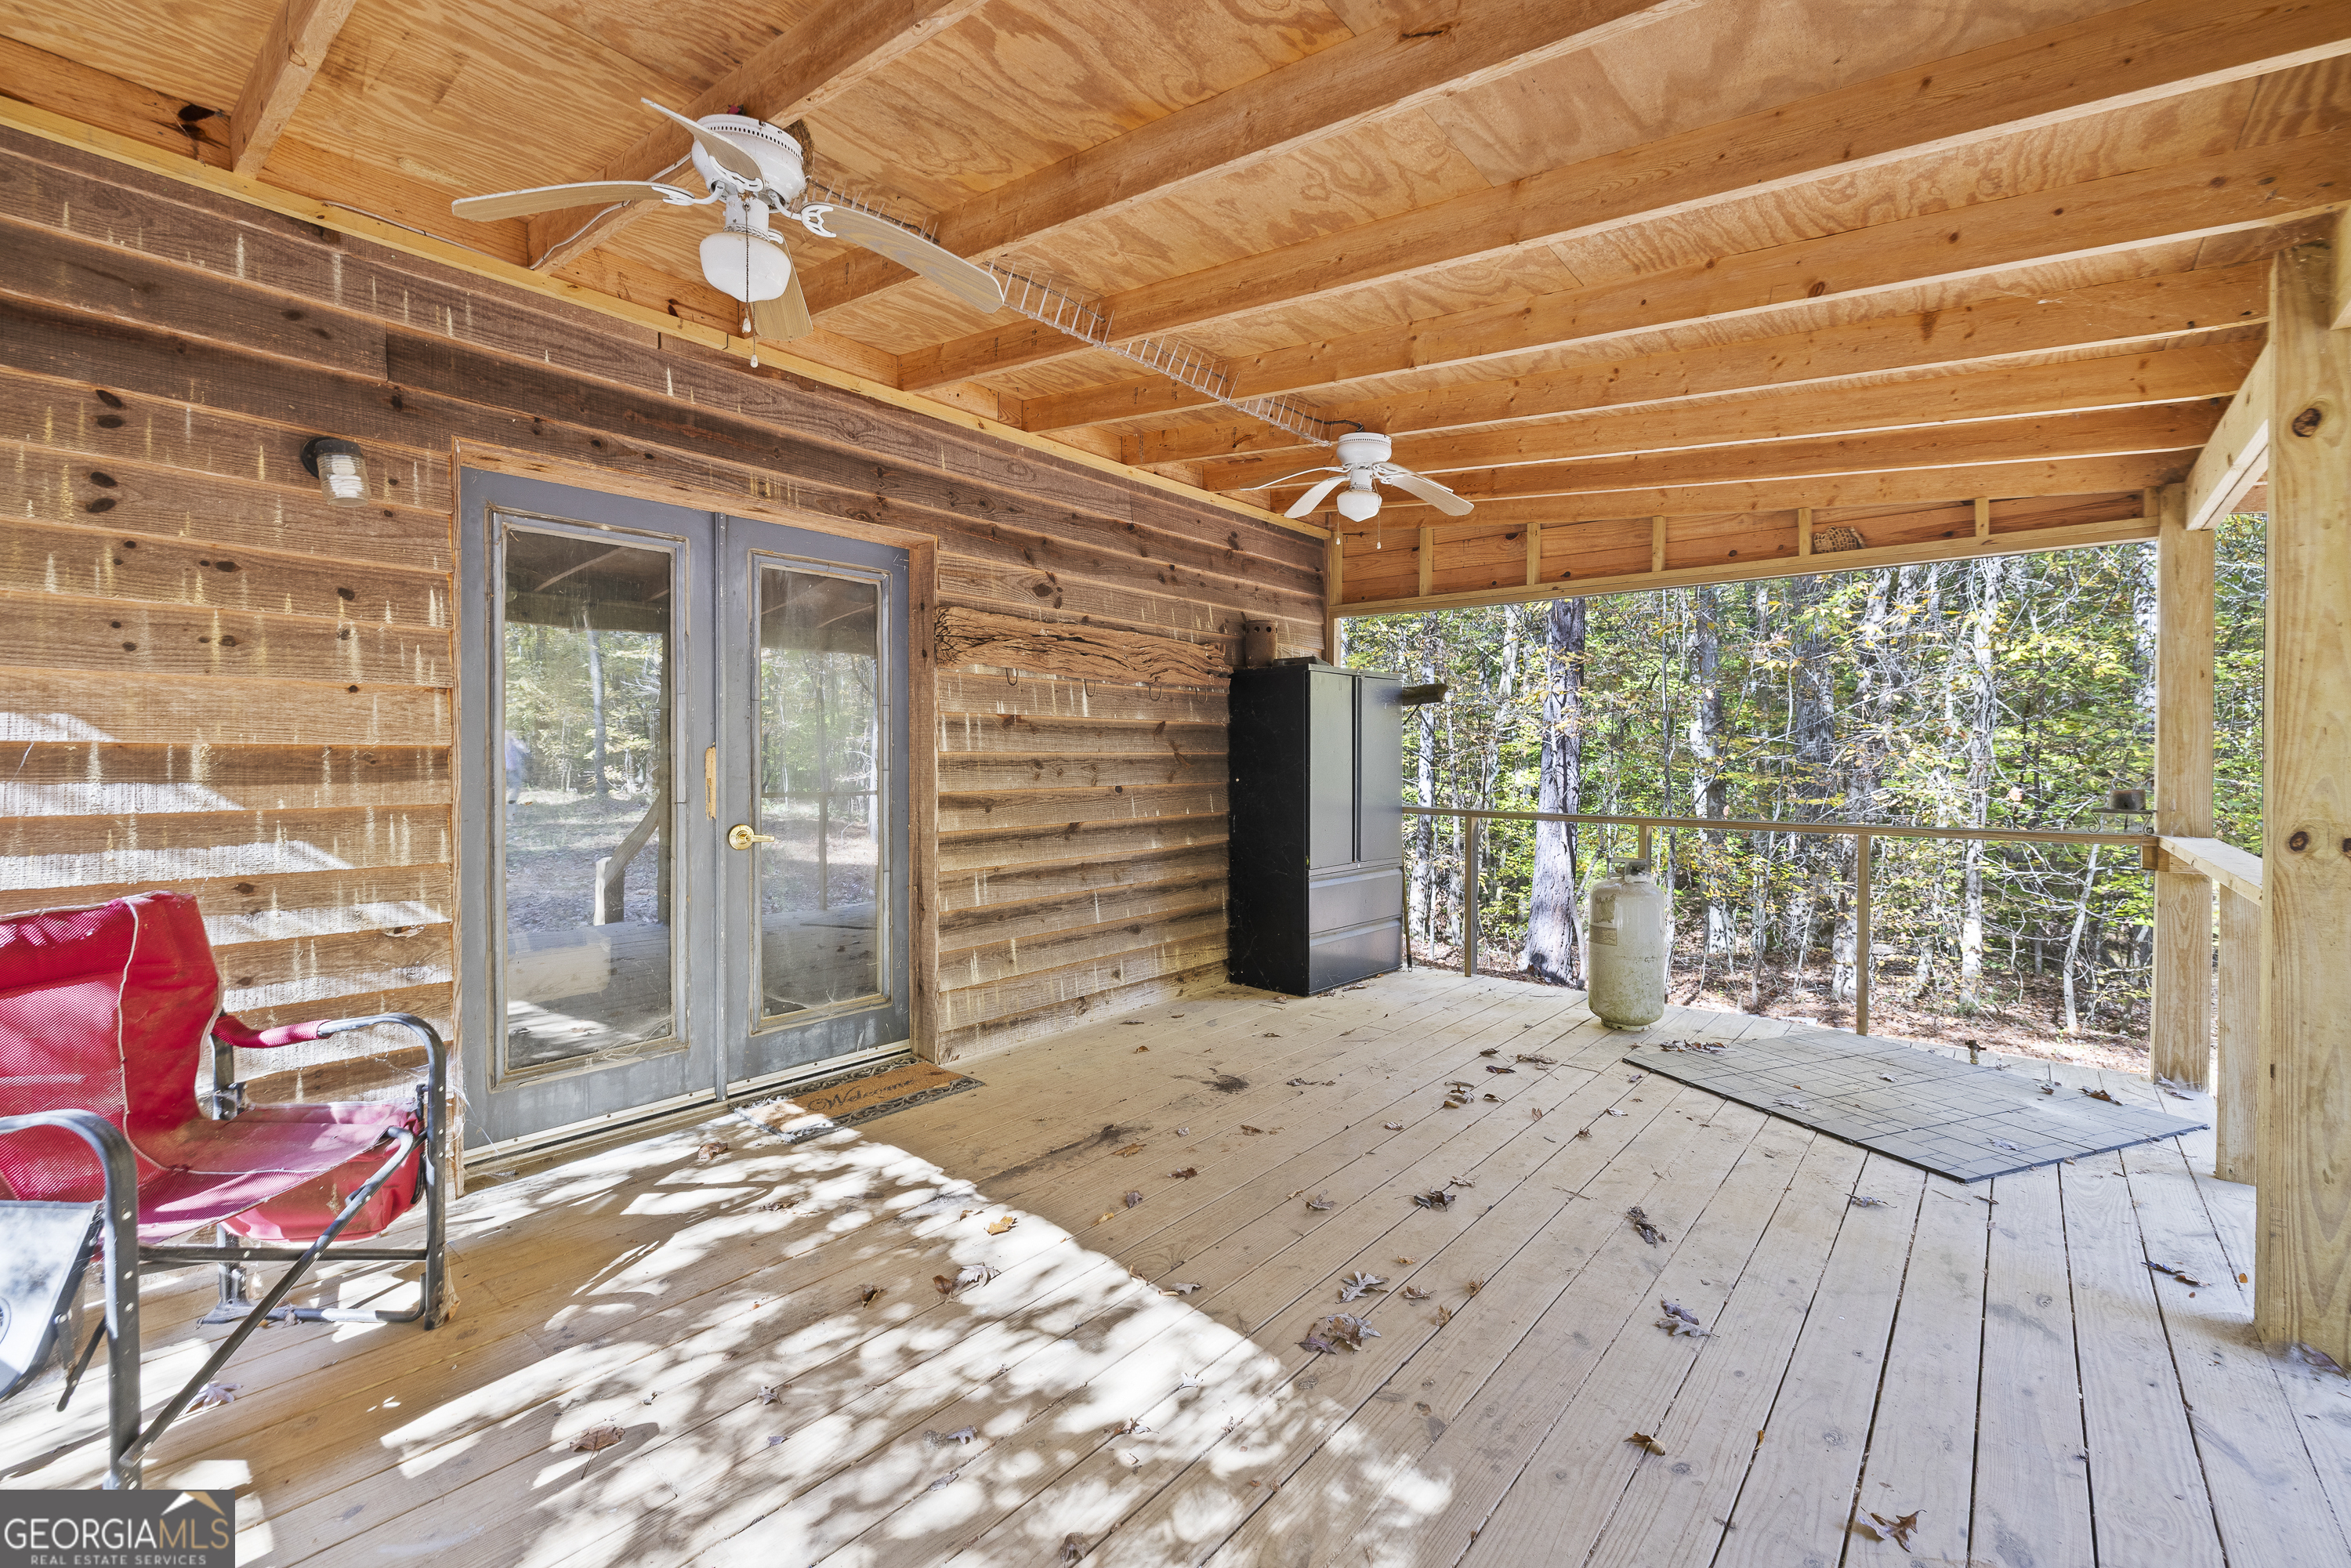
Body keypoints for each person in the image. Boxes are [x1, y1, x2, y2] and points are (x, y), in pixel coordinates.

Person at [504, 731, 530, 805]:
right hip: (502, 771)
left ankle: (511, 802)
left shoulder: (514, 744)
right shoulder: (498, 744)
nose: (508, 734)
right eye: (506, 733)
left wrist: (514, 740)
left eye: (509, 733)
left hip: (512, 771)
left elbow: (526, 751)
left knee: (517, 785)